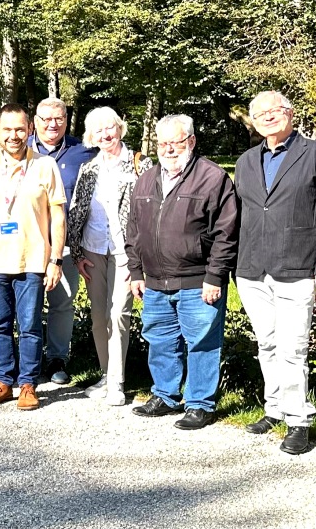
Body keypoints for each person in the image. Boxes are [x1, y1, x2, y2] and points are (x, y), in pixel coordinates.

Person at [234, 91, 316, 454]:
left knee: (292, 347)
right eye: (259, 113)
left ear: (290, 114)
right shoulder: (247, 160)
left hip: (297, 265)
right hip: (252, 269)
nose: (268, 117)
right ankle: (276, 407)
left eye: (275, 111)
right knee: (267, 342)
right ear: (252, 120)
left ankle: (298, 421)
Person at [126, 114, 237, 431]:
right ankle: (165, 395)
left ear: (191, 141)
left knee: (202, 341)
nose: (168, 149)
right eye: (162, 143)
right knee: (160, 340)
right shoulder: (147, 179)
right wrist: (136, 271)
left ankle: (200, 404)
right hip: (155, 281)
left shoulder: (212, 177)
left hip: (197, 280)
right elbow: (134, 230)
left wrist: (215, 276)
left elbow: (226, 233)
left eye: (175, 142)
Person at [0, 104, 65, 411]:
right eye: (7, 129)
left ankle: (27, 384)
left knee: (30, 326)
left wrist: (56, 260)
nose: (14, 135)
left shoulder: (45, 166)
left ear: (30, 130)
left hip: (33, 259)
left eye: (20, 129)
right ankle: (2, 382)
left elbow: (58, 217)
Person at [66, 107, 151, 407]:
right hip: (93, 250)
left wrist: (139, 260)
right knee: (98, 317)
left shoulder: (139, 164)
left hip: (125, 253)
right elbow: (76, 211)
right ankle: (106, 374)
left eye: (110, 127)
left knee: (118, 314)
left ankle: (118, 381)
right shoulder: (88, 169)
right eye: (98, 130)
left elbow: (150, 213)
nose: (106, 134)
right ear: (91, 136)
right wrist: (76, 253)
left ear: (120, 127)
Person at [29, 97, 95, 385]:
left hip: (65, 244)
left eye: (59, 118)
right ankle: (28, 356)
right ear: (35, 122)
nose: (52, 124)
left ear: (67, 121)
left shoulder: (83, 152)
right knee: (27, 303)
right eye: (45, 119)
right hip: (26, 243)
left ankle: (57, 357)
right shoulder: (20, 149)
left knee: (62, 304)